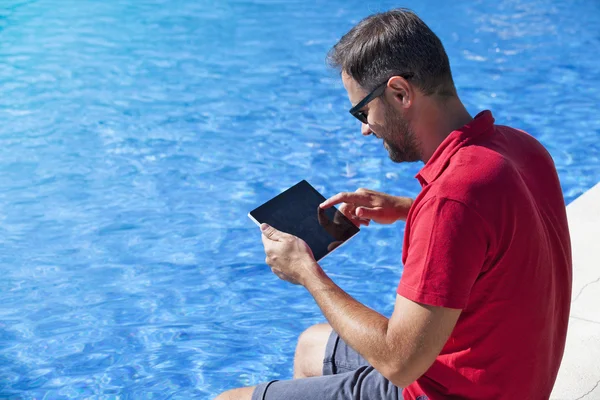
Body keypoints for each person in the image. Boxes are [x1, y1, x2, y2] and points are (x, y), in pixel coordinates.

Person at [215, 8, 572, 400]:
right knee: (310, 347)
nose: (365, 129)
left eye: (362, 112)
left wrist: (306, 272)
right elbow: (497, 228)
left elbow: (400, 363)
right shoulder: (520, 147)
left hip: (445, 391)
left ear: (400, 92)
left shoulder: (451, 201)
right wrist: (407, 207)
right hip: (510, 381)